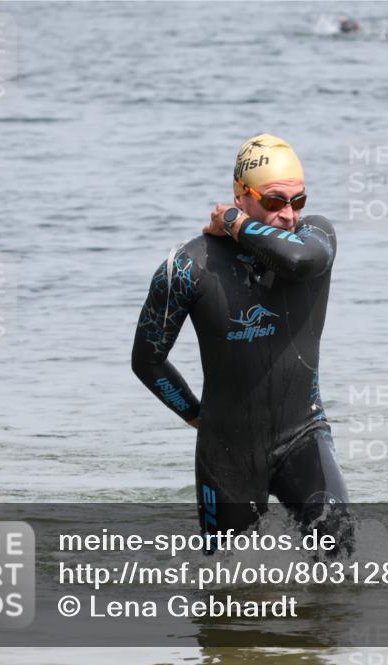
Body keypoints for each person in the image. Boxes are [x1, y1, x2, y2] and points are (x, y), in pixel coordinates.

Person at [131, 133, 351, 554]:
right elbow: (148, 360)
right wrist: (196, 415)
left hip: (303, 434)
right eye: (273, 201)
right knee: (229, 592)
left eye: (297, 201)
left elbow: (296, 260)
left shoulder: (316, 237)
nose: (288, 214)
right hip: (226, 452)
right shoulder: (187, 267)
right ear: (241, 195)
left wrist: (234, 223)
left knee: (344, 561)